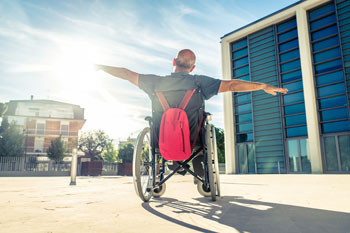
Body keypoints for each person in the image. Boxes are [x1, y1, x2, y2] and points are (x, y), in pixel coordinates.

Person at [95, 49, 288, 178]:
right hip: (193, 140)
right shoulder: (200, 82)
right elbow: (232, 85)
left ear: (174, 62)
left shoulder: (154, 82)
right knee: (199, 126)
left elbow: (126, 74)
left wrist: (101, 67)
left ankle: (169, 163)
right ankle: (196, 160)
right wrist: (262, 86)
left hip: (161, 139)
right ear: (192, 68)